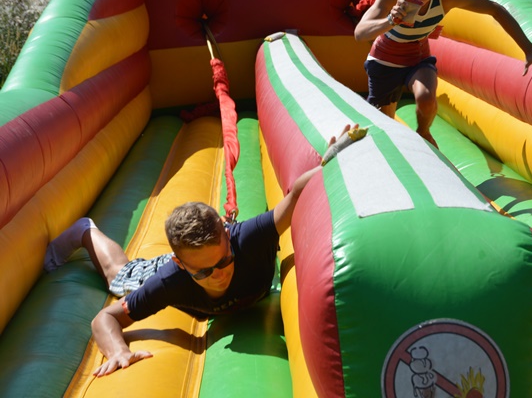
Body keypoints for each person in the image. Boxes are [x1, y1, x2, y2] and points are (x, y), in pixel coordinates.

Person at [43, 124, 360, 377]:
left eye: (224, 260)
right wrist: (117, 351)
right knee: (120, 276)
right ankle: (86, 231)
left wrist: (329, 163)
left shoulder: (250, 239)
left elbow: (296, 196)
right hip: (160, 270)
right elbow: (104, 318)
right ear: (181, 264)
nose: (219, 274)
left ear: (227, 236)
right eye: (204, 272)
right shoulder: (170, 280)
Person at [354, 0, 532, 148]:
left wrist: (529, 49)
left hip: (417, 57)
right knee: (384, 125)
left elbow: (495, 9)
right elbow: (360, 33)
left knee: (426, 97)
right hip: (385, 60)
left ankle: (424, 134)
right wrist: (391, 20)